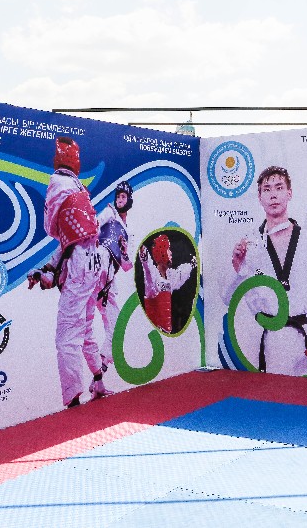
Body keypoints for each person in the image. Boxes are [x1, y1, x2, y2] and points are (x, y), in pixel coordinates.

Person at [224, 166, 307, 375]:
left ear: (289, 193)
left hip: (304, 341)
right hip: (264, 341)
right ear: (260, 198)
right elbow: (228, 299)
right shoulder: (249, 245)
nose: (273, 195)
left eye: (279, 187)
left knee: (304, 394)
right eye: (267, 189)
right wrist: (238, 267)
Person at [27, 137, 110, 407]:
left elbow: (51, 229)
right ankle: (98, 378)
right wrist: (45, 272)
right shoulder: (79, 187)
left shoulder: (57, 183)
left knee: (66, 336)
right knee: (85, 327)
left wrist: (47, 273)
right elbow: (69, 244)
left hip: (79, 265)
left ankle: (73, 396)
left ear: (57, 160)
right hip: (92, 263)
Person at [95, 181, 134, 370]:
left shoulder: (128, 233)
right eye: (118, 196)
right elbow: (94, 225)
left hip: (109, 279)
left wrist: (124, 251)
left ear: (129, 200)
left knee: (116, 323)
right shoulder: (110, 212)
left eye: (123, 197)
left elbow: (127, 265)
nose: (119, 199)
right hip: (96, 263)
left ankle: (102, 362)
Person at [140, 234, 195, 333]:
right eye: (168, 249)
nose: (171, 253)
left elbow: (181, 274)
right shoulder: (153, 276)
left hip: (166, 332)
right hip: (154, 331)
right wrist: (142, 250)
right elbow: (147, 266)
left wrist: (192, 264)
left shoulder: (170, 276)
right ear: (161, 252)